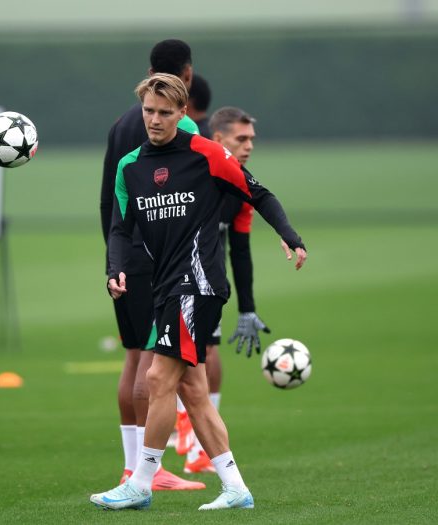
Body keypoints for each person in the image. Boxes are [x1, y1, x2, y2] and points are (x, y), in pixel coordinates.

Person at [90, 73, 307, 511]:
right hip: (164, 287)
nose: (154, 119)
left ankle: (140, 483)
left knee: (156, 378)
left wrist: (289, 235)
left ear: (182, 114)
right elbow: (119, 228)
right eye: (149, 110)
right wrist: (115, 268)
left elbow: (257, 193)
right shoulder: (129, 167)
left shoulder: (206, 154)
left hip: (199, 283)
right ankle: (235, 488)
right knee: (192, 390)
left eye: (165, 112)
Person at [99, 39, 204, 491]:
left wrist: (113, 259)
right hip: (158, 261)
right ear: (188, 75)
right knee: (152, 362)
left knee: (132, 358)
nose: (156, 118)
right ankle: (149, 471)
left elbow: (109, 199)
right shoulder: (181, 128)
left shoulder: (123, 123)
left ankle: (131, 466)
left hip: (124, 259)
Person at [182, 106, 270, 474]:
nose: (249, 145)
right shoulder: (194, 170)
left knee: (206, 350)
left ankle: (198, 441)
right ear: (218, 138)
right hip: (169, 278)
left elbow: (242, 248)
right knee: (165, 364)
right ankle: (183, 440)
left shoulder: (239, 183)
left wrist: (248, 308)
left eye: (251, 139)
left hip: (208, 281)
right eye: (241, 138)